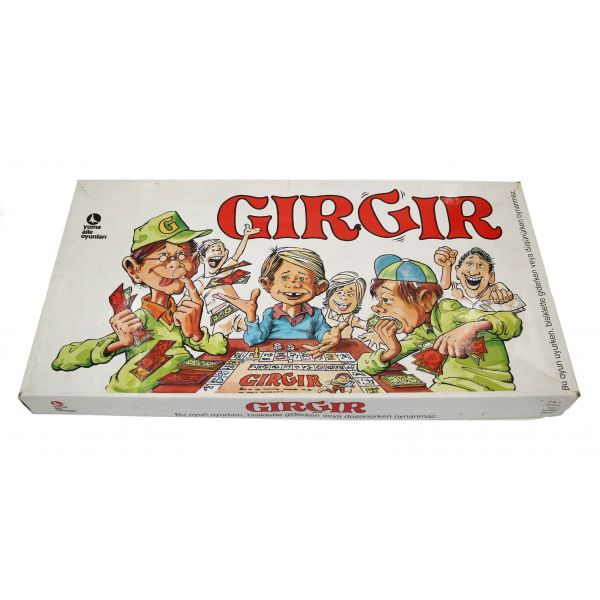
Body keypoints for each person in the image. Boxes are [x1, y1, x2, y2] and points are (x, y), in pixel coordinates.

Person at [51, 211, 227, 392]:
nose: (175, 265)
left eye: (182, 255)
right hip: (139, 392)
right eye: (163, 257)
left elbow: (220, 347)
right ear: (134, 269)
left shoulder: (180, 315)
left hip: (183, 386)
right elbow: (63, 360)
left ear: (195, 263)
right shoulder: (139, 320)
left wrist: (196, 334)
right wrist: (119, 343)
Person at [357, 254, 523, 392]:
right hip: (449, 388)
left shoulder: (448, 311)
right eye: (379, 300)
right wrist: (392, 351)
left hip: (485, 389)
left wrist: (472, 327)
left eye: (386, 300)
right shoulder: (421, 330)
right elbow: (364, 364)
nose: (377, 308)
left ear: (426, 299)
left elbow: (512, 321)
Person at [214, 247, 347, 356]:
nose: (293, 285)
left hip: (305, 358)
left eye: (302, 279)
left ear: (320, 286)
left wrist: (329, 336)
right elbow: (252, 340)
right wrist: (251, 316)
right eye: (284, 277)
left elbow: (322, 333)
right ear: (267, 284)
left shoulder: (315, 315)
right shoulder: (270, 314)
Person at [194, 224, 260, 336]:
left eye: (220, 250)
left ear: (225, 255)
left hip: (238, 311)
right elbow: (187, 300)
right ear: (202, 258)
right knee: (218, 343)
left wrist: (246, 236)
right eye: (213, 250)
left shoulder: (224, 272)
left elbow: (237, 254)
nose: (217, 252)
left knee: (256, 334)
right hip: (221, 317)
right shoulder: (200, 283)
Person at [434, 246, 514, 309]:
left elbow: (513, 305)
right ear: (458, 271)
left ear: (491, 276)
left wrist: (506, 299)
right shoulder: (454, 290)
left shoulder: (497, 291)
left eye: (480, 265)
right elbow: (444, 287)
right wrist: (447, 267)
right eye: (469, 264)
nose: (473, 272)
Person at [321, 271, 368, 338]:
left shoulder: (352, 319)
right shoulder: (321, 313)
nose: (343, 297)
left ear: (358, 301)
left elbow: (369, 326)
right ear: (330, 294)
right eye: (339, 292)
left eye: (350, 294)